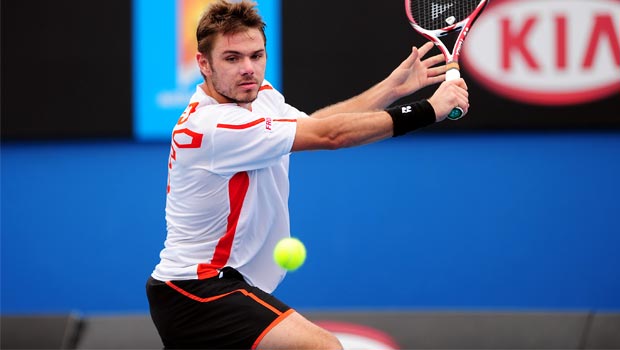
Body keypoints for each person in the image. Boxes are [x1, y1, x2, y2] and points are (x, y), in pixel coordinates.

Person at [146, 0, 469, 349]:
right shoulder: (213, 125)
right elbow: (331, 136)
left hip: (213, 287)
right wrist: (428, 110)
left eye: (256, 55)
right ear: (203, 65)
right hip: (198, 289)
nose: (248, 68)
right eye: (232, 58)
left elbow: (316, 125)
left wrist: (390, 89)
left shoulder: (260, 97)